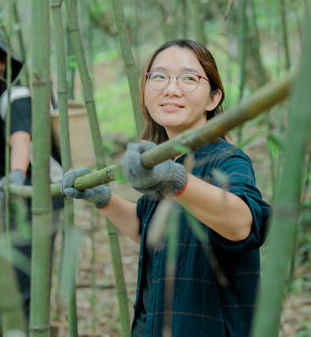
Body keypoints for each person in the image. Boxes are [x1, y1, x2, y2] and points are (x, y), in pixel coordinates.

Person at [61, 39, 271, 336]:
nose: (171, 89)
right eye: (159, 77)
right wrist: (101, 198)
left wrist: (174, 180)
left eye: (189, 79)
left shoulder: (226, 160)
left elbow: (241, 224)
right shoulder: (164, 160)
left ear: (213, 99)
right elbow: (145, 229)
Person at [0, 28, 63, 337]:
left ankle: (24, 329)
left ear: (3, 62)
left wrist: (17, 175)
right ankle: (6, 324)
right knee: (5, 263)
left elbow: (21, 140)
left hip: (36, 190)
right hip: (10, 190)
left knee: (23, 268)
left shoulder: (15, 95)